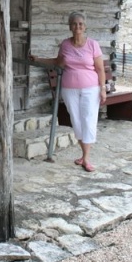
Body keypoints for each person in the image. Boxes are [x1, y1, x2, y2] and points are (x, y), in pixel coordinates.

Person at [30, 11, 106, 172]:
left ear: (85, 26)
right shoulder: (65, 45)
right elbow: (57, 63)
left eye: (80, 24)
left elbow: (100, 69)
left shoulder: (93, 44)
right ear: (70, 26)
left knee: (88, 119)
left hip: (90, 89)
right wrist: (38, 59)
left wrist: (103, 89)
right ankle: (83, 155)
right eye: (74, 24)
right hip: (69, 89)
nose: (77, 26)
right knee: (76, 120)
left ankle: (86, 158)